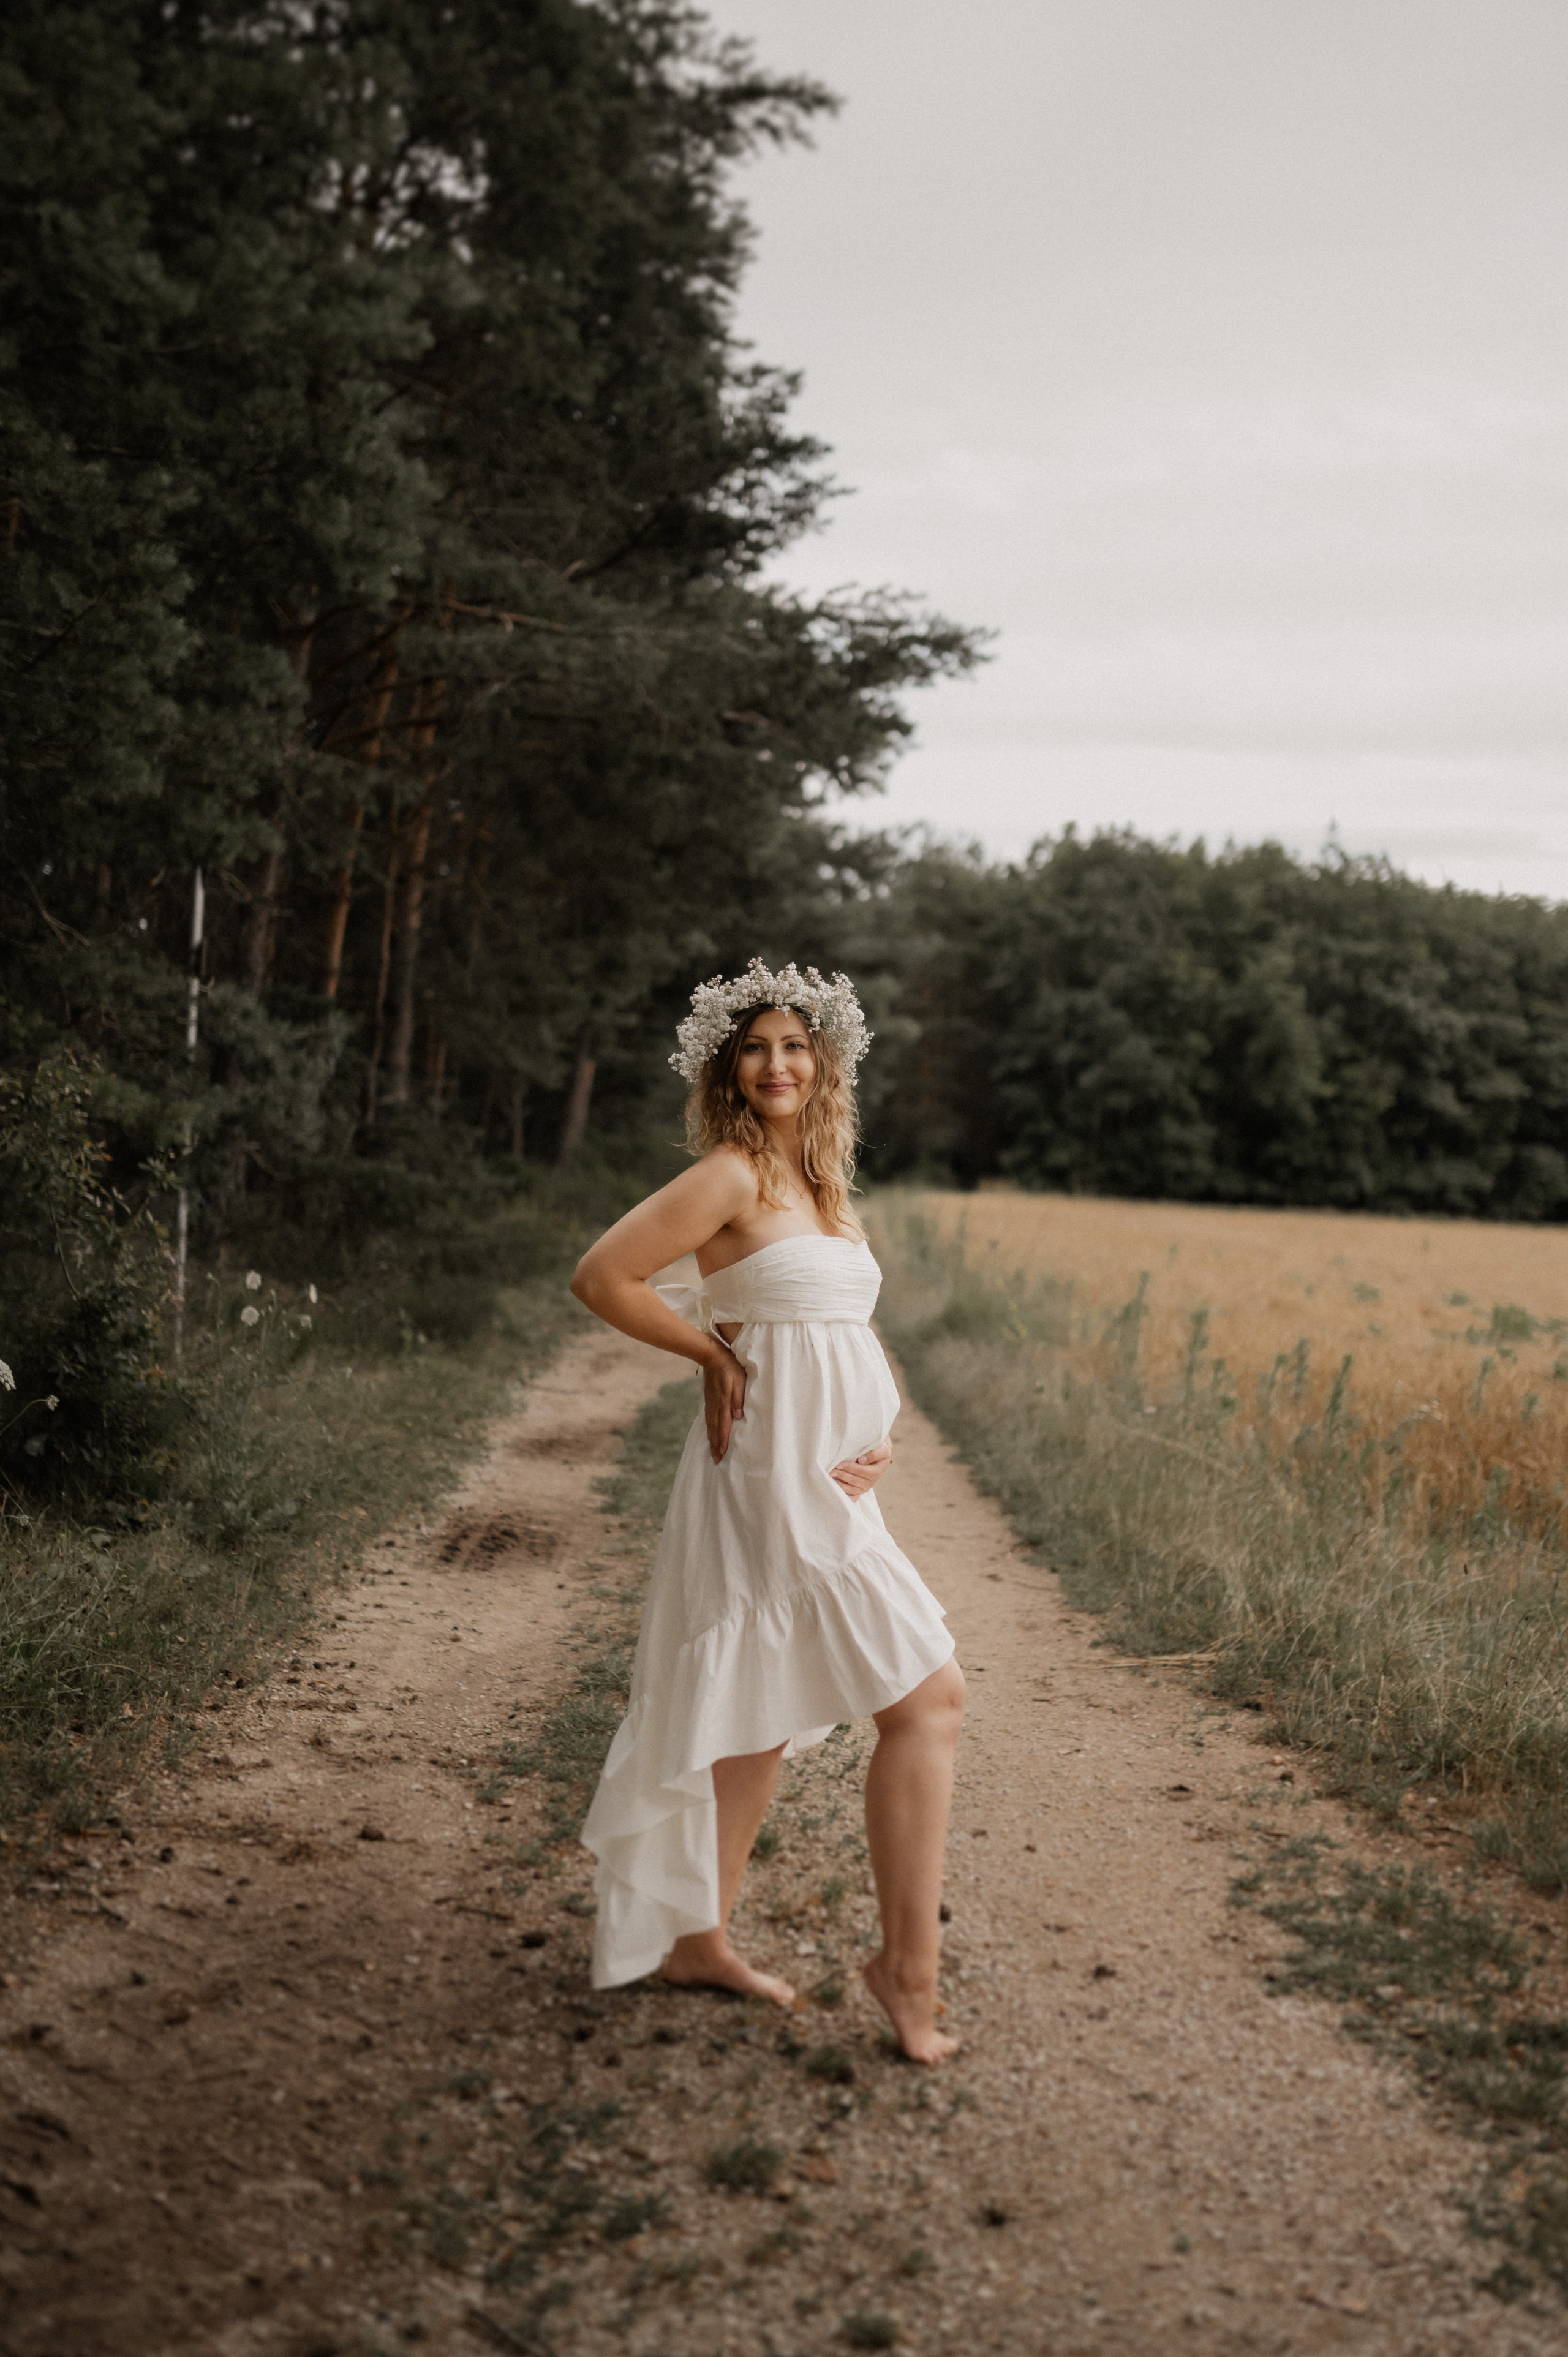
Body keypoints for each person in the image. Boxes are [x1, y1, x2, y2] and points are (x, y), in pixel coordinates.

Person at [570, 960, 965, 2064]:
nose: (777, 1064)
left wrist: (879, 1424)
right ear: (727, 1067)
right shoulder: (732, 1177)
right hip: (765, 1478)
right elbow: (604, 1277)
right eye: (756, 1047)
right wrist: (705, 1349)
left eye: (796, 1045)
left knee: (764, 1709)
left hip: (832, 1477)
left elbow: (843, 1325)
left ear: (824, 1061)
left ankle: (698, 1939)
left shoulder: (827, 1189)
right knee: (931, 1699)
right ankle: (907, 1974)